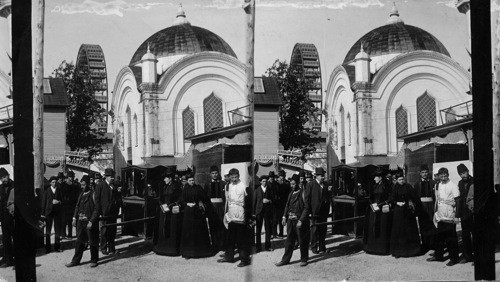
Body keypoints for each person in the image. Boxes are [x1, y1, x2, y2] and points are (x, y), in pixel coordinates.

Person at [218, 168, 253, 267]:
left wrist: (249, 217)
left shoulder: (244, 186)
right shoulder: (228, 186)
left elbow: (249, 203)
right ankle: (229, 257)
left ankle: (244, 260)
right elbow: (227, 201)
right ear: (229, 177)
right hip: (231, 215)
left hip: (241, 215)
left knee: (241, 240)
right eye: (232, 177)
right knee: (230, 238)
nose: (234, 179)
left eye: (236, 177)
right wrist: (226, 214)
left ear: (239, 176)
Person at [427, 167, 460, 266]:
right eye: (441, 176)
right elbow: (437, 200)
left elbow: (458, 200)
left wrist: (457, 215)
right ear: (439, 176)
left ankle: (454, 259)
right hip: (440, 213)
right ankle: (439, 256)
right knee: (439, 236)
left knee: (451, 237)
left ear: (448, 175)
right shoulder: (439, 185)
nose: (443, 177)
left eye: (445, 175)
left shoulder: (453, 185)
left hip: (449, 213)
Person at [275, 174, 310, 267]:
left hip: (299, 221)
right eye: (291, 184)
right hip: (290, 220)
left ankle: (304, 259)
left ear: (298, 183)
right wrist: (284, 217)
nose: (291, 186)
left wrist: (301, 220)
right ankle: (285, 260)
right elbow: (287, 205)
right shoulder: (291, 193)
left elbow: (307, 208)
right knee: (289, 241)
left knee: (302, 240)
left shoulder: (303, 193)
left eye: (293, 184)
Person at [65, 175, 99, 268]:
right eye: (81, 184)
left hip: (89, 222)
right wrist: (74, 218)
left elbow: (97, 209)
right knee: (79, 242)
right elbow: (77, 206)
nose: (82, 186)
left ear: (88, 184)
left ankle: (94, 260)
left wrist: (91, 221)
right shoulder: (81, 194)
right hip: (80, 222)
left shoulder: (93, 194)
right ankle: (75, 261)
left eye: (83, 185)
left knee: (92, 241)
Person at [179, 173, 215, 258]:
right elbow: (181, 200)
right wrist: (187, 203)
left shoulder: (198, 188)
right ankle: (188, 252)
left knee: (199, 231)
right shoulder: (185, 189)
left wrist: (201, 203)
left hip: (198, 212)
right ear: (187, 181)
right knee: (189, 232)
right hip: (188, 212)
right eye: (190, 180)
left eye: (193, 180)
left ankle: (201, 252)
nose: (192, 182)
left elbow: (205, 198)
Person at [388, 172, 421, 258]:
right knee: (399, 230)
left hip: (407, 211)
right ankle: (398, 251)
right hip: (398, 211)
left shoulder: (408, 186)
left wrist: (411, 202)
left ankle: (411, 250)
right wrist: (397, 202)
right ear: (397, 180)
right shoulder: (395, 187)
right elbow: (391, 198)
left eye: (403, 179)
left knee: (409, 229)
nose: (402, 181)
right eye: (399, 180)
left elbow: (415, 197)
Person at [363, 169, 392, 255]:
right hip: (374, 209)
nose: (374, 179)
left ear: (380, 177)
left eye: (375, 177)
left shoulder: (387, 185)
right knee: (372, 226)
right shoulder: (374, 186)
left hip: (383, 210)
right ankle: (372, 248)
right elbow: (370, 197)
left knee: (383, 227)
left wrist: (383, 203)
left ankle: (382, 249)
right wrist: (372, 204)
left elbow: (390, 197)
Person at [154, 172, 183, 256]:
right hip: (164, 209)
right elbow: (161, 197)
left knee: (172, 228)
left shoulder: (176, 186)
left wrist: (173, 204)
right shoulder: (165, 186)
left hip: (173, 210)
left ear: (170, 178)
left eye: (165, 178)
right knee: (163, 227)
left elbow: (180, 198)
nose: (164, 180)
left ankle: (172, 249)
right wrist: (162, 204)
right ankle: (162, 248)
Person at [94, 168, 122, 255]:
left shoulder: (114, 186)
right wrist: (99, 212)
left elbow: (116, 199)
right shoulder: (100, 186)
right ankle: (103, 248)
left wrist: (118, 193)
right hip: (104, 213)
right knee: (104, 231)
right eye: (110, 176)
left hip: (113, 212)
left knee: (112, 230)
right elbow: (97, 200)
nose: (112, 178)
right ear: (106, 177)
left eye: (113, 176)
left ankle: (112, 249)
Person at [413, 164, 436, 253]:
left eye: (426, 172)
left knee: (431, 223)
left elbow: (435, 196)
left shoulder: (433, 182)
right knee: (423, 224)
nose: (425, 174)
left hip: (431, 205)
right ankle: (425, 244)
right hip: (421, 205)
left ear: (428, 173)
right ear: (420, 174)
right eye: (423, 172)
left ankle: (432, 244)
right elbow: (415, 197)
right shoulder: (417, 184)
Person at [203, 165, 226, 251]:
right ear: (210, 174)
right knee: (213, 226)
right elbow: (205, 197)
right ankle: (215, 245)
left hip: (221, 207)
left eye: (216, 173)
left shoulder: (223, 183)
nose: (215, 175)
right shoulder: (207, 184)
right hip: (212, 208)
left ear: (218, 173)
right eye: (213, 173)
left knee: (222, 225)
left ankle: (222, 245)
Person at [308, 167, 330, 254]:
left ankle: (322, 248)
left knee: (323, 230)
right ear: (316, 176)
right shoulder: (311, 185)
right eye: (321, 176)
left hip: (323, 212)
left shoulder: (325, 185)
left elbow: (327, 197)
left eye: (323, 175)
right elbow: (307, 199)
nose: (323, 177)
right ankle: (313, 248)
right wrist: (309, 212)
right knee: (314, 230)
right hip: (314, 212)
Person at [456, 163, 474, 264]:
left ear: (468, 171)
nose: (463, 175)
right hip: (464, 213)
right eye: (461, 174)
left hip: (473, 212)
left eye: (464, 172)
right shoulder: (460, 183)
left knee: (476, 234)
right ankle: (468, 256)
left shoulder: (474, 181)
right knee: (465, 234)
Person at [41, 176, 64, 253]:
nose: (54, 183)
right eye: (53, 182)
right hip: (49, 212)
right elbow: (44, 203)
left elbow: (62, 201)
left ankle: (57, 247)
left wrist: (58, 202)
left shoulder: (59, 190)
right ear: (50, 183)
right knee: (48, 230)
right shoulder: (47, 191)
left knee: (57, 230)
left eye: (55, 182)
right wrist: (43, 214)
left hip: (57, 212)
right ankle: (48, 248)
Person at [253, 175, 275, 252]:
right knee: (258, 230)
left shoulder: (270, 190)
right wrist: (254, 213)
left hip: (267, 211)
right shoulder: (257, 190)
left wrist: (268, 201)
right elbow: (254, 202)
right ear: (260, 182)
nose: (265, 183)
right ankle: (258, 247)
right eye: (263, 181)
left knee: (268, 229)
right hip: (259, 211)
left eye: (266, 181)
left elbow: (273, 200)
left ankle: (267, 246)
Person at [0, 168, 14, 267]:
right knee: (6, 239)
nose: (4, 179)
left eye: (5, 176)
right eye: (2, 178)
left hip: (14, 217)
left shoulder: (15, 186)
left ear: (8, 175)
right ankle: (8, 260)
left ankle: (18, 260)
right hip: (4, 217)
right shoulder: (0, 188)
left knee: (16, 238)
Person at [62, 171, 80, 239]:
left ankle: (70, 235)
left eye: (72, 177)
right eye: (70, 177)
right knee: (64, 221)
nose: (71, 178)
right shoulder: (63, 185)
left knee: (70, 221)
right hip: (64, 206)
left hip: (72, 206)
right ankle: (63, 234)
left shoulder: (75, 186)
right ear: (67, 178)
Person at [275, 170, 290, 238]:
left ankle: (288, 232)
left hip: (286, 202)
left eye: (283, 176)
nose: (282, 177)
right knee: (280, 218)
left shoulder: (287, 183)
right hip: (279, 203)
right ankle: (280, 233)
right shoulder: (277, 183)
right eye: (281, 176)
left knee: (286, 218)